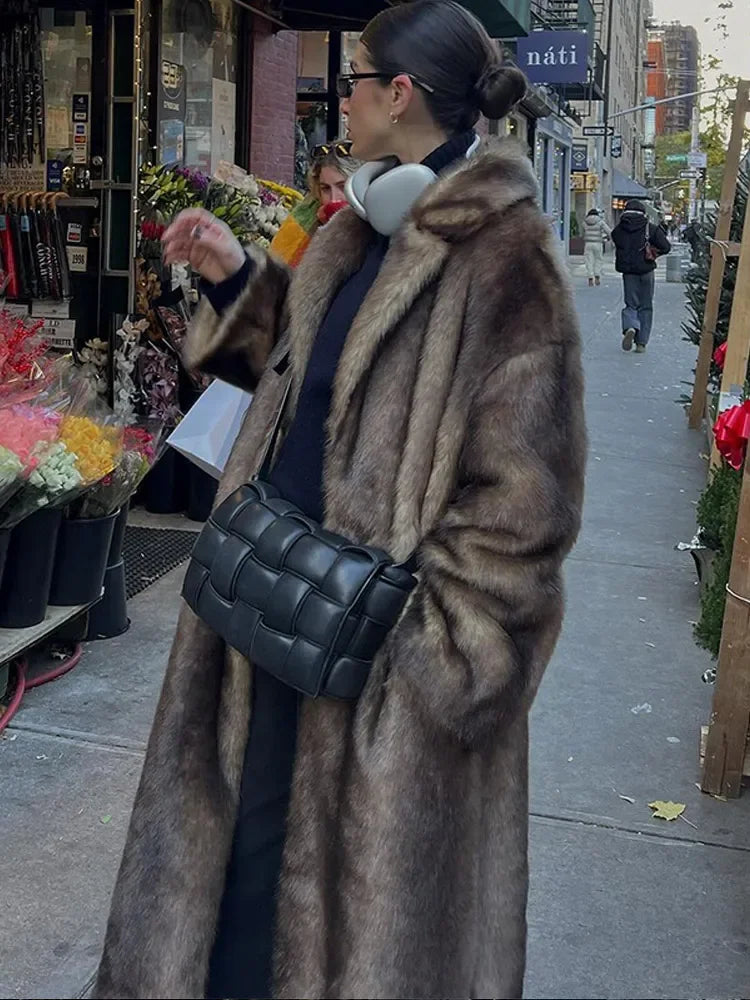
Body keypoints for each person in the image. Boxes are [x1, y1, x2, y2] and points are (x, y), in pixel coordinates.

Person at [95, 3, 586, 999]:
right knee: (231, 907)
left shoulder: (508, 262)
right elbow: (311, 378)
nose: (340, 103)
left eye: (353, 80)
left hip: (376, 683)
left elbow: (527, 510)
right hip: (266, 624)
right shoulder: (360, 228)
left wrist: (429, 663)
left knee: (343, 938)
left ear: (398, 95)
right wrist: (237, 281)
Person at [270, 140, 361, 268]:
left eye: (343, 187)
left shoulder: (379, 225)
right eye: (325, 188)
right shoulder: (304, 222)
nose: (334, 199)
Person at [611, 198, 671, 353]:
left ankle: (630, 326)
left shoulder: (618, 230)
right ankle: (641, 343)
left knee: (631, 304)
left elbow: (616, 242)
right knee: (646, 306)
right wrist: (654, 252)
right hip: (646, 270)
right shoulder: (650, 228)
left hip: (629, 273)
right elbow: (666, 247)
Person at [583, 207, 611, 286]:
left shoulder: (585, 222)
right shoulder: (600, 222)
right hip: (598, 243)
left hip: (588, 243)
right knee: (598, 259)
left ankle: (590, 277)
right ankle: (597, 275)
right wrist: (608, 238)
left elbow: (583, 232)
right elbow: (609, 231)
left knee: (589, 261)